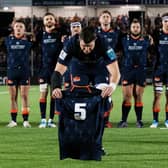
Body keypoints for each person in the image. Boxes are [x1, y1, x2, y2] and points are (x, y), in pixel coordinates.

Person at [51, 26, 120, 159]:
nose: (86, 49)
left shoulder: (104, 44)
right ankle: (80, 142)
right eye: (83, 46)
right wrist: (55, 87)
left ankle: (98, 143)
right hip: (79, 69)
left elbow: (115, 72)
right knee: (80, 104)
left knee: (103, 99)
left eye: (90, 46)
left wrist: (112, 86)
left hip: (99, 69)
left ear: (95, 40)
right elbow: (58, 70)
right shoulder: (71, 44)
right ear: (79, 41)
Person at [117, 18, 153, 128]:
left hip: (141, 70)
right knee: (127, 96)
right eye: (134, 27)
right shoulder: (123, 40)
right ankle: (123, 121)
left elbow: (153, 51)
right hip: (128, 70)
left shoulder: (147, 39)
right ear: (130, 28)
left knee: (138, 96)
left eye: (137, 27)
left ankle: (139, 121)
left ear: (140, 29)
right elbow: (116, 50)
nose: (136, 29)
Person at [5, 19, 32, 128]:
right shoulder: (8, 40)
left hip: (24, 71)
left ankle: (26, 120)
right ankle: (13, 120)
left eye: (21, 27)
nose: (19, 28)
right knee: (12, 97)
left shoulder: (28, 42)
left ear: (24, 29)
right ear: (13, 28)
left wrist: (28, 34)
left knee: (24, 96)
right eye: (17, 26)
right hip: (12, 71)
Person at [38, 12, 63, 128]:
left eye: (50, 19)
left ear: (54, 21)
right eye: (46, 19)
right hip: (44, 69)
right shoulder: (40, 35)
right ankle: (43, 119)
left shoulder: (60, 34)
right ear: (44, 22)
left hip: (56, 70)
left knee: (54, 95)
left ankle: (51, 120)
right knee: (43, 94)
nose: (48, 20)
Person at [97, 10, 120, 128]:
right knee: (96, 93)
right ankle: (96, 118)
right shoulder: (95, 33)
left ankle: (106, 120)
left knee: (107, 94)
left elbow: (122, 47)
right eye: (103, 16)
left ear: (111, 19)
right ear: (99, 19)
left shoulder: (117, 33)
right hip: (96, 67)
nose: (105, 18)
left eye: (107, 16)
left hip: (110, 67)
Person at [150, 13, 168, 128]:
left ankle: (167, 120)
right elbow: (151, 50)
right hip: (159, 70)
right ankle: (155, 120)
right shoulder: (156, 34)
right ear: (162, 22)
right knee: (157, 95)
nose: (167, 23)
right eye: (165, 21)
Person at [62, 17, 82, 89]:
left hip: (80, 70)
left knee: (80, 91)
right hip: (68, 70)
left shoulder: (85, 40)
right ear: (70, 28)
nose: (76, 28)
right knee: (67, 92)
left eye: (78, 26)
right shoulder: (65, 40)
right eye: (73, 27)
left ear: (81, 28)